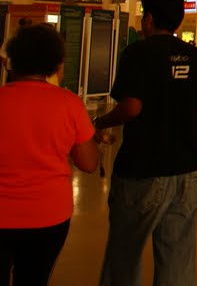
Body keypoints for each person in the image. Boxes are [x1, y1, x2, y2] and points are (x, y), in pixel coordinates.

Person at [92, 0, 197, 286]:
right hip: (186, 169)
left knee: (125, 252)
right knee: (178, 256)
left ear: (148, 19)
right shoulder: (196, 56)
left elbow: (131, 107)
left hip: (143, 168)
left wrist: (100, 121)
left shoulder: (138, 52)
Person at [0, 24, 99, 284]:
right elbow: (89, 163)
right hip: (47, 216)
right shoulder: (69, 104)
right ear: (56, 65)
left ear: (12, 61)